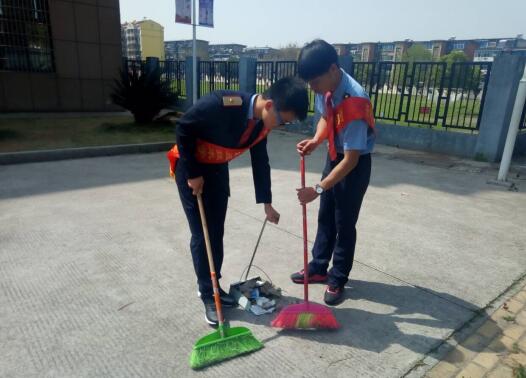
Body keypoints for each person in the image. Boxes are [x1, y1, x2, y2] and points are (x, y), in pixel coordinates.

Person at [168, 77, 309, 325]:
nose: (280, 125)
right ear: (269, 105)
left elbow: (260, 161)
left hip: (217, 169)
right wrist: (193, 174)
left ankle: (215, 286)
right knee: (202, 233)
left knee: (216, 231)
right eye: (283, 119)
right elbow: (184, 127)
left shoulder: (260, 124)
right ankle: (207, 293)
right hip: (191, 168)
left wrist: (267, 203)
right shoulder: (222, 104)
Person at [291, 39, 376, 306]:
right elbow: (326, 117)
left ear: (332, 69)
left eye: (314, 82)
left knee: (344, 222)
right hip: (334, 155)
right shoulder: (325, 87)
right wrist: (317, 141)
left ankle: (337, 277)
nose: (312, 88)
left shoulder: (355, 100)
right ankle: (318, 267)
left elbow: (351, 160)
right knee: (325, 214)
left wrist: (317, 189)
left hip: (354, 164)